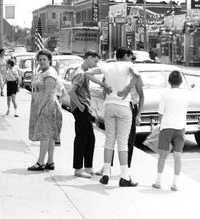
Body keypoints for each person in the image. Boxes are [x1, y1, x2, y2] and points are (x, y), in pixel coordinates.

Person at [85, 47, 141, 186]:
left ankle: (106, 173)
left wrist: (103, 84)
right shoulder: (129, 65)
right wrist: (127, 88)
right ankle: (124, 177)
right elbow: (137, 76)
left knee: (109, 140)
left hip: (109, 106)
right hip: (123, 106)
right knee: (123, 143)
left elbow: (87, 73)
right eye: (130, 56)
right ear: (126, 56)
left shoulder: (107, 66)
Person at [68, 50, 111, 178]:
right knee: (82, 138)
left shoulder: (83, 72)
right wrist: (80, 105)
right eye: (95, 61)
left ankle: (88, 167)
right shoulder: (80, 73)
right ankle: (78, 168)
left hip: (85, 107)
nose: (96, 64)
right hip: (81, 108)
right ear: (88, 58)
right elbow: (71, 92)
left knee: (90, 138)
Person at [27, 49, 62, 171]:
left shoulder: (50, 73)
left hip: (47, 105)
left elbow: (48, 93)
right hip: (42, 104)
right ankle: (50, 162)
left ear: (49, 60)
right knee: (50, 135)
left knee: (44, 134)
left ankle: (40, 162)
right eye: (40, 59)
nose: (41, 61)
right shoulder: (42, 71)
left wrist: (40, 108)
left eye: (44, 59)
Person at [152, 70, 188, 191]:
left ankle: (158, 181)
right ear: (181, 82)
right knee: (178, 156)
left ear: (169, 81)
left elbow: (161, 114)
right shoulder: (185, 95)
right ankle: (174, 184)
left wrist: (160, 126)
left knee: (162, 155)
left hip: (167, 126)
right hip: (180, 127)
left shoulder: (165, 94)